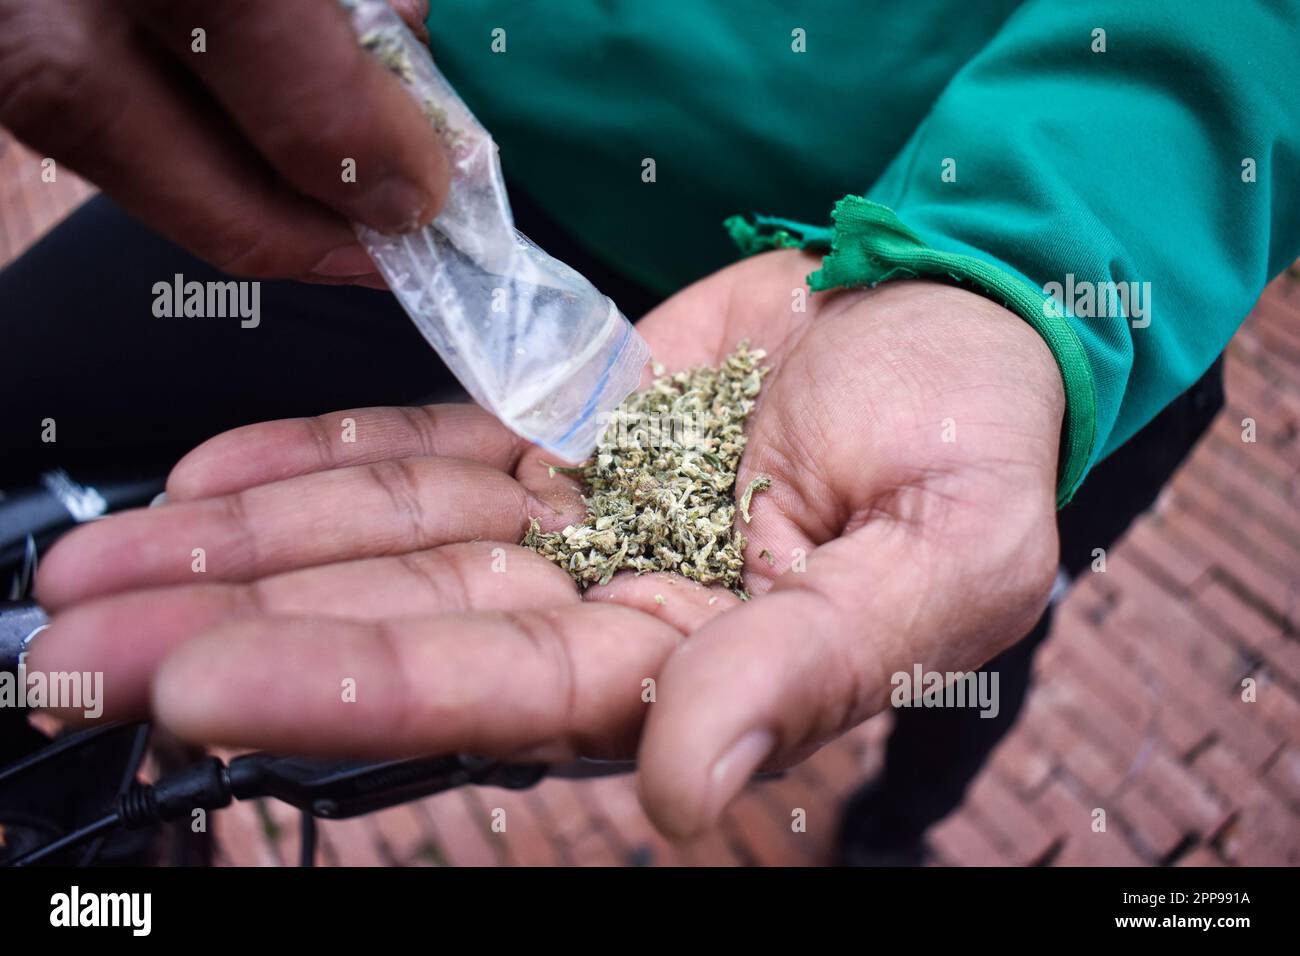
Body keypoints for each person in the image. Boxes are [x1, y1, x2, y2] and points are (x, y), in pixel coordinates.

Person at [2, 0, 1296, 854]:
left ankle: (899, 826)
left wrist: (1017, 258)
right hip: (466, 171)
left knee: (971, 607)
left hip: (995, 272)